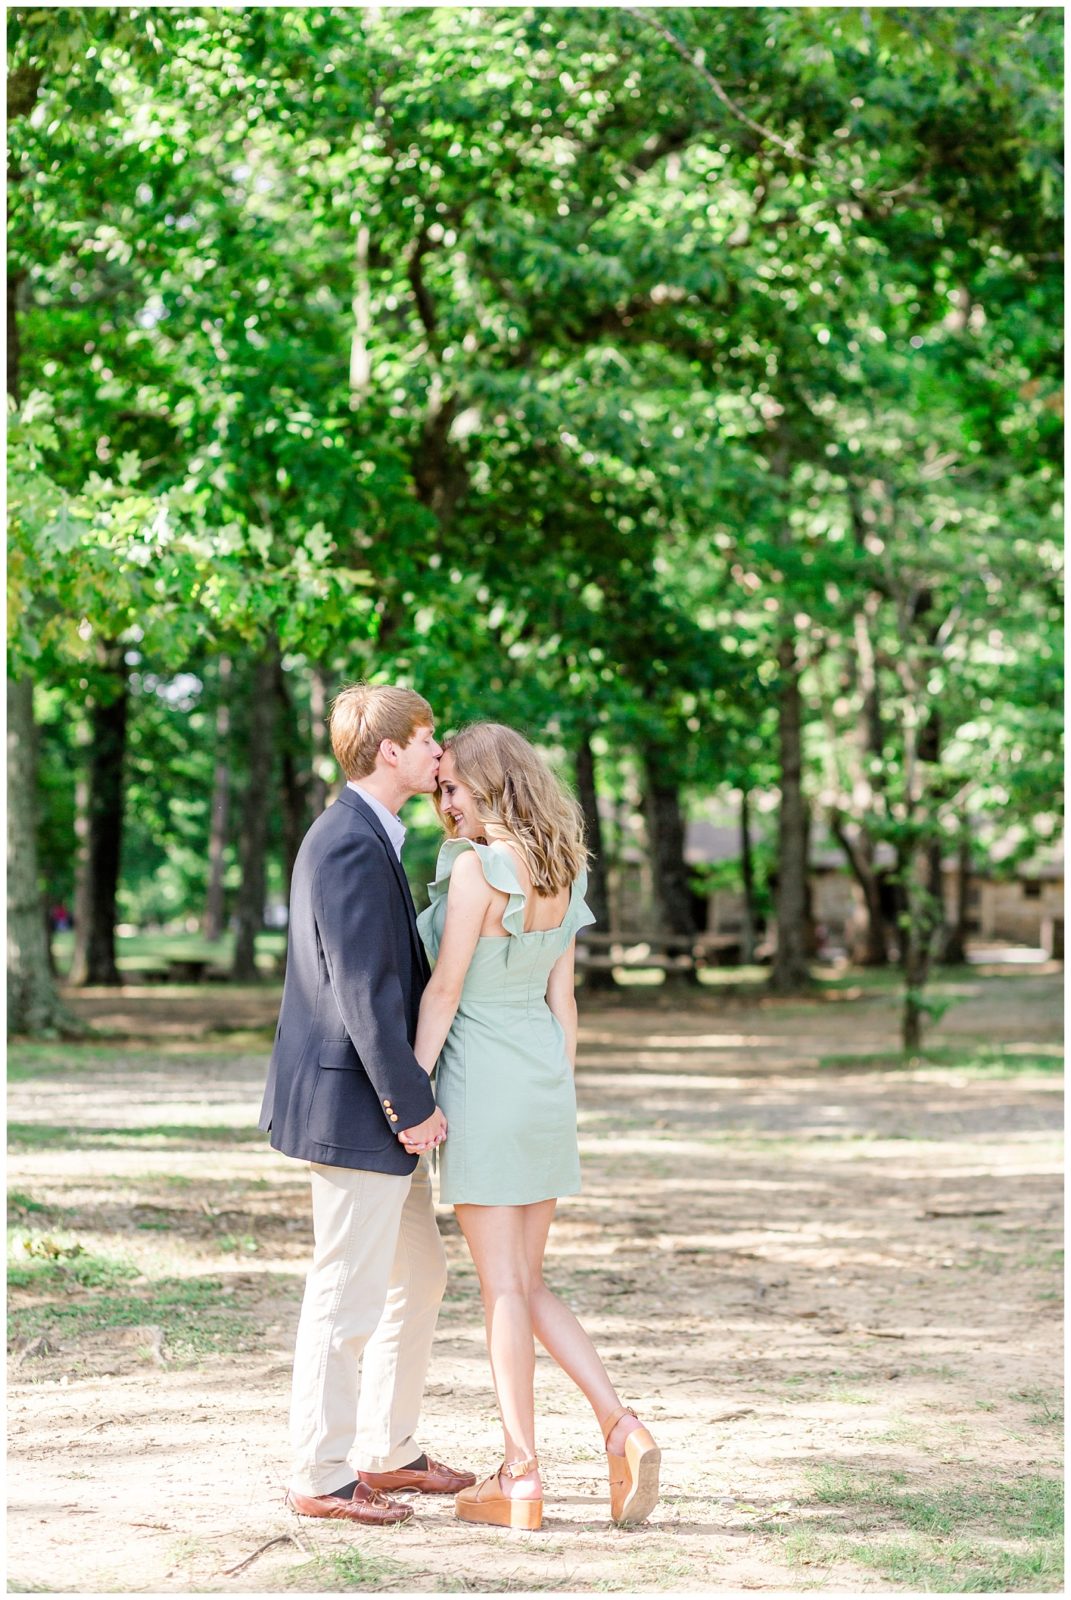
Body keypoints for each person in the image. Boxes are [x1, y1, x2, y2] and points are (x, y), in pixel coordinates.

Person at [407, 722, 660, 1531]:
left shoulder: (479, 868)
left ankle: (520, 1476)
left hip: (482, 1083)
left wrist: (408, 1090)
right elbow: (565, 1001)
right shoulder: (562, 866)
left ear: (492, 782)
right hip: (544, 1082)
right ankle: (621, 1425)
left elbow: (444, 992)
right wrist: (559, 1088)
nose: (444, 803)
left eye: (454, 787)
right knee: (530, 1281)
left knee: (502, 1291)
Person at [258, 683, 475, 1527]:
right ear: (390, 751)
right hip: (358, 1108)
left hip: (375, 1108)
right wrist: (409, 1103)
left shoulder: (373, 836)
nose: (438, 753)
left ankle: (387, 1452)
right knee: (347, 1290)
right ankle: (318, 1472)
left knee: (419, 1275)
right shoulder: (347, 840)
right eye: (428, 739)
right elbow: (362, 991)